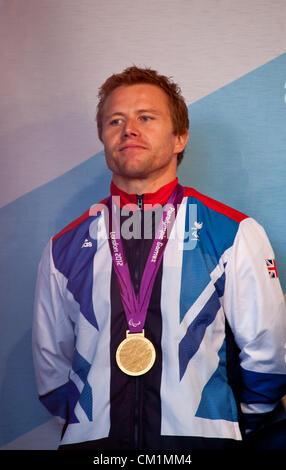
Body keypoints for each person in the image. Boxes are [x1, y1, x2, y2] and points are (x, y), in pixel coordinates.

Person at [32, 66, 286, 451]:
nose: (128, 129)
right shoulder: (63, 248)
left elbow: (267, 357)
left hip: (200, 444)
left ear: (180, 137)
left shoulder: (233, 233)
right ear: (103, 137)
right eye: (115, 120)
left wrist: (226, 426)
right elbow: (51, 371)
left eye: (145, 118)